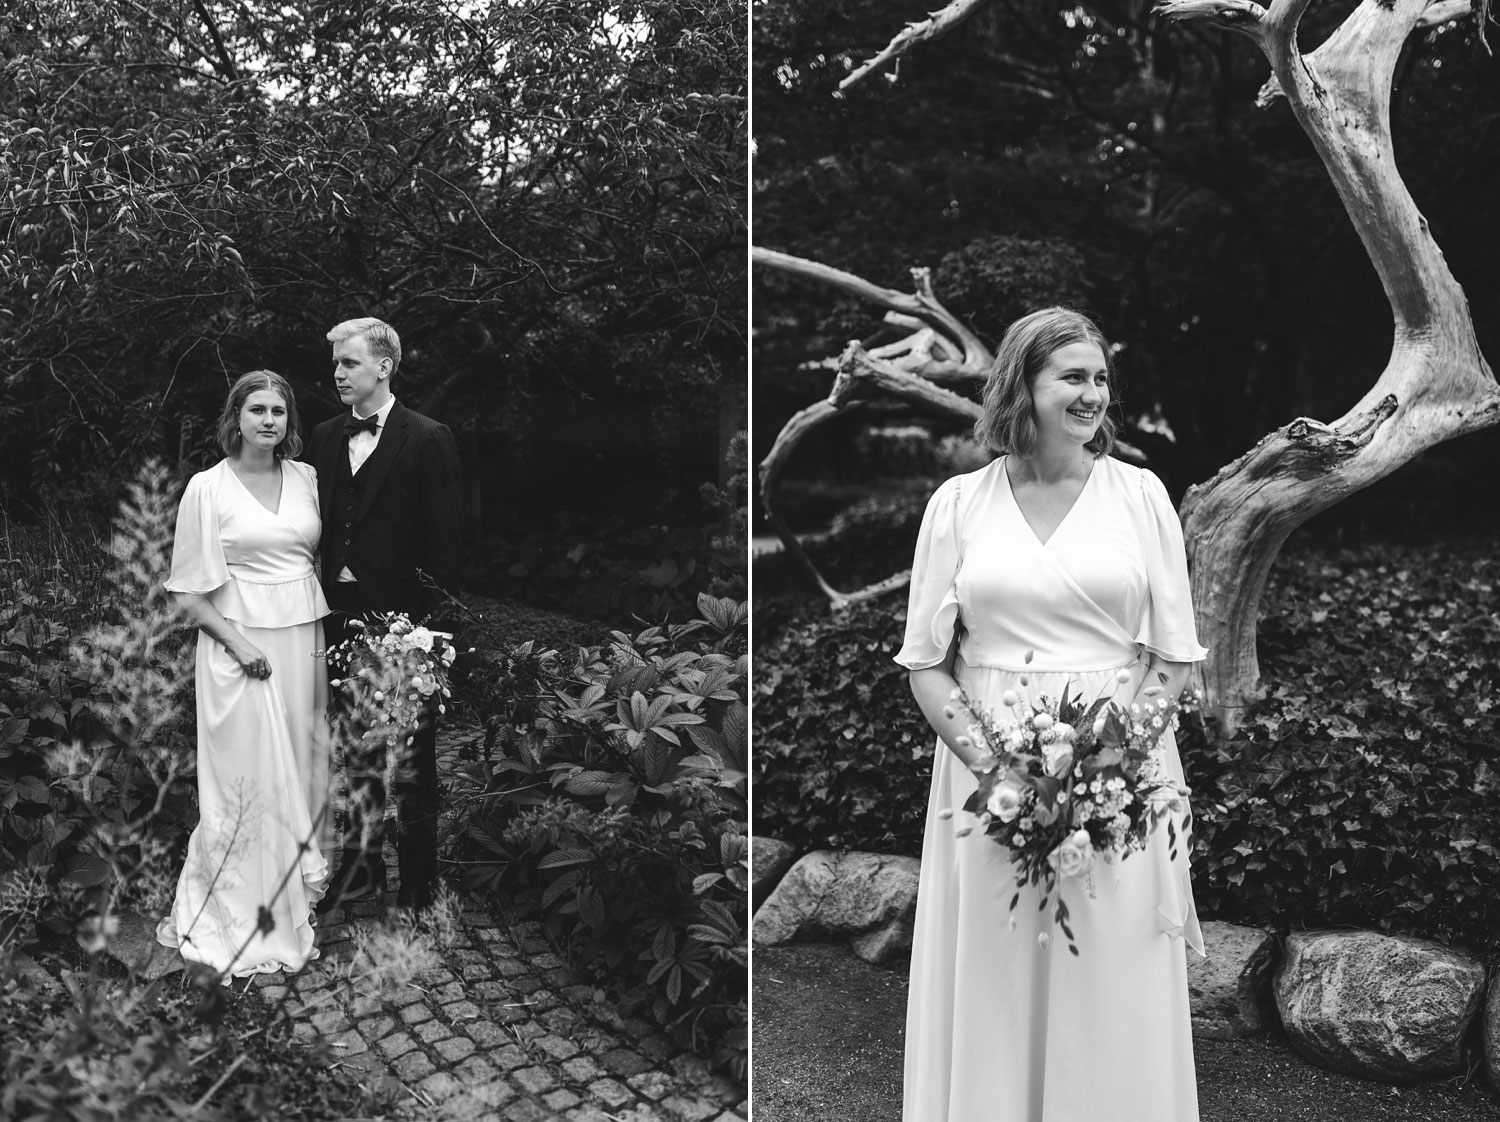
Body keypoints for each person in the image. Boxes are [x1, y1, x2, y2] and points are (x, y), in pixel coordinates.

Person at [895, 307, 1207, 1122]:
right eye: (1073, 376)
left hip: (1120, 776)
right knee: (997, 968)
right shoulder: (958, 505)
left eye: (1101, 378)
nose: (1093, 394)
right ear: (1022, 386)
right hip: (986, 775)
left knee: (1106, 966)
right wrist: (1000, 772)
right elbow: (926, 662)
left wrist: (1110, 766)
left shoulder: (1140, 496)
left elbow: (1174, 657)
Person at [157, 370, 331, 978]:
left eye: (279, 411)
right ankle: (237, 912)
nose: (268, 421)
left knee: (301, 768)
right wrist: (237, 644)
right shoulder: (208, 489)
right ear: (236, 417)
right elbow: (186, 593)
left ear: (289, 422)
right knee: (245, 780)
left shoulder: (307, 478)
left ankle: (290, 905)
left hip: (303, 640)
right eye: (256, 409)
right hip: (238, 651)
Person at [308, 317, 463, 913]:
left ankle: (420, 879)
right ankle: (362, 869)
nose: (338, 373)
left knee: (414, 756)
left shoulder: (427, 437)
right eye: (336, 364)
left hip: (405, 624)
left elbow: (446, 548)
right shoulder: (324, 436)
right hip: (337, 615)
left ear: (383, 365)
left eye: (349, 362)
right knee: (356, 749)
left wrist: (434, 639)